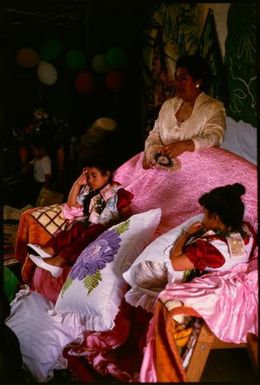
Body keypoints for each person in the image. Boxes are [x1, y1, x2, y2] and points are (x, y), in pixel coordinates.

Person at [20, 160, 134, 282]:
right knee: (77, 227)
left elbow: (105, 219)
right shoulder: (89, 189)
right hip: (90, 223)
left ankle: (58, 261)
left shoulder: (114, 191)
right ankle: (51, 250)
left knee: (88, 232)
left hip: (103, 226)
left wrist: (88, 224)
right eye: (88, 176)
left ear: (106, 175)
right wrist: (78, 183)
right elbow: (71, 206)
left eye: (94, 176)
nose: (90, 180)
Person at [142, 54, 226, 170]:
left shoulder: (213, 107)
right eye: (177, 78)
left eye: (183, 79)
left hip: (196, 173)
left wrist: (186, 145)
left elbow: (215, 136)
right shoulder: (167, 106)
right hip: (164, 169)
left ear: (198, 81)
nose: (178, 84)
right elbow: (155, 135)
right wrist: (152, 153)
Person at [13, 107, 71, 191]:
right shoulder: (20, 128)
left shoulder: (49, 123)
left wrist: (60, 173)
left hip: (58, 140)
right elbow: (22, 145)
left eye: (28, 129)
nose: (27, 131)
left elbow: (59, 147)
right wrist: (24, 166)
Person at [20, 138, 52, 205]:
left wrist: (45, 188)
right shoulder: (36, 158)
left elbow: (48, 176)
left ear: (41, 150)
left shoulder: (45, 160)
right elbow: (29, 166)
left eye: (34, 150)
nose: (32, 152)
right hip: (36, 183)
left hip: (41, 184)